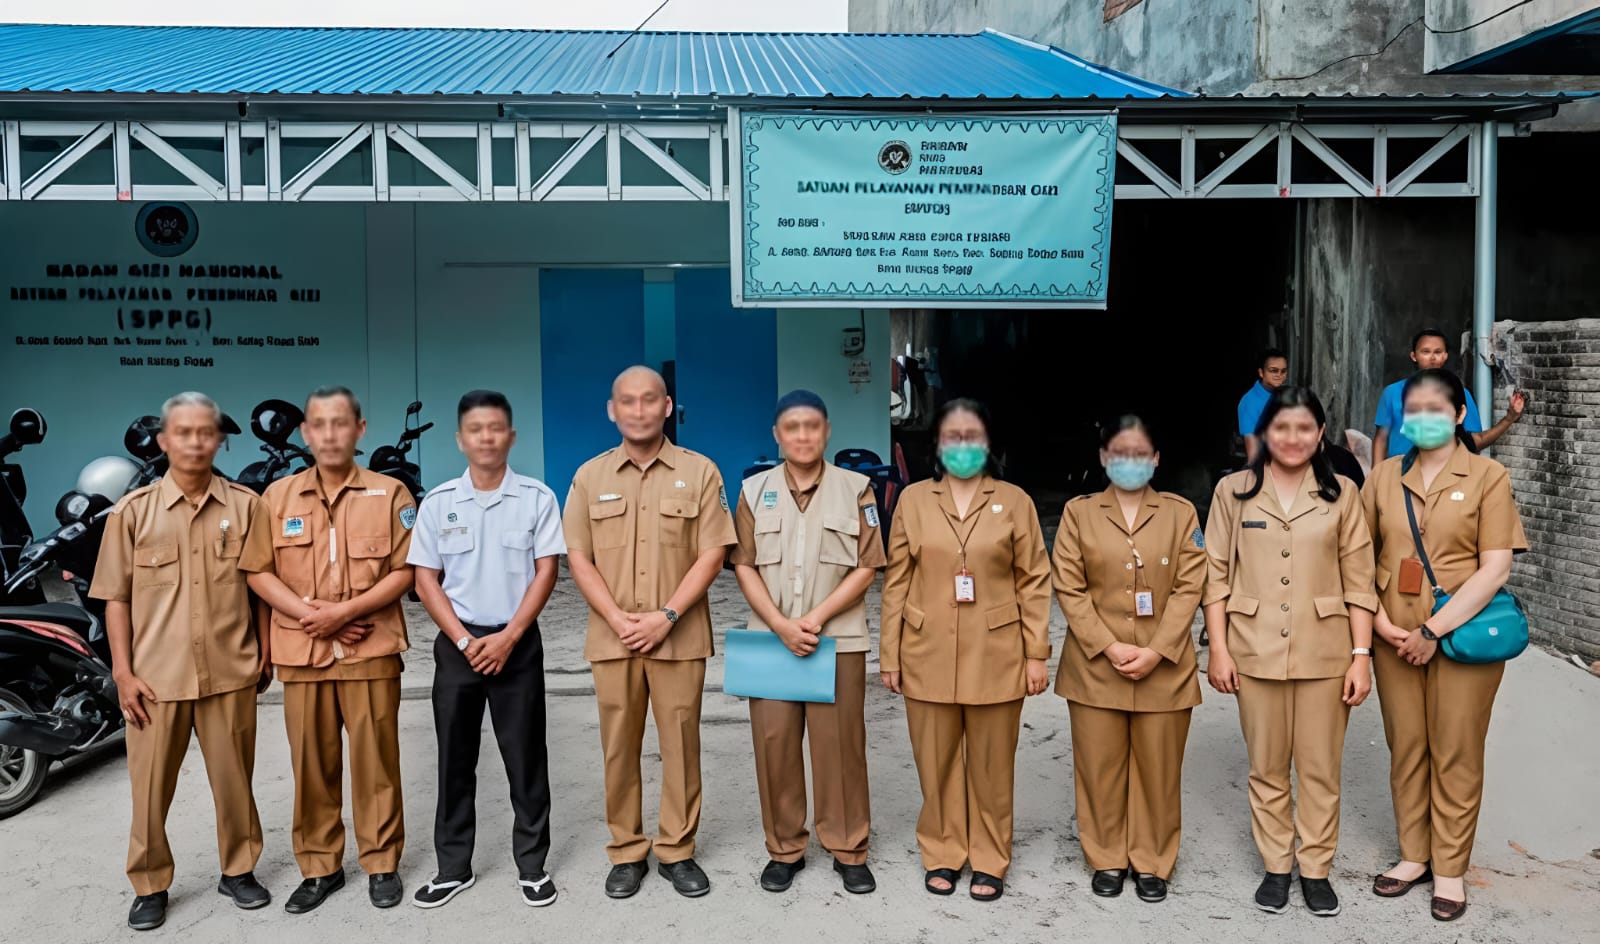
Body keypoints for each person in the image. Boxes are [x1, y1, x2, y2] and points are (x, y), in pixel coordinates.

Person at [89, 392, 270, 931]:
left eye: (206, 432)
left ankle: (238, 870)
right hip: (154, 679)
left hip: (229, 670)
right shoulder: (132, 513)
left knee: (236, 780)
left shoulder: (246, 506)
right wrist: (122, 672)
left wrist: (263, 653)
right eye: (183, 432)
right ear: (165, 441)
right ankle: (150, 883)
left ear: (219, 440)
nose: (195, 441)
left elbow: (260, 587)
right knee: (149, 790)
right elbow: (114, 598)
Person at [239, 386, 417, 914]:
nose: (330, 433)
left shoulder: (391, 494)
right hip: (304, 652)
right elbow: (258, 571)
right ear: (304, 433)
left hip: (372, 650)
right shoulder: (278, 498)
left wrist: (345, 612)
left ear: (360, 430)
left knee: (376, 762)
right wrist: (313, 616)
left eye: (342, 423)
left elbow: (406, 571)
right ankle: (320, 868)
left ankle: (381, 863)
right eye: (319, 424)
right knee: (312, 765)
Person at [562, 366, 736, 900]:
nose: (638, 409)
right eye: (627, 401)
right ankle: (626, 850)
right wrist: (618, 620)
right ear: (611, 410)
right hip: (613, 638)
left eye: (649, 400)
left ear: (667, 407)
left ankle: (677, 850)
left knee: (681, 743)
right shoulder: (589, 477)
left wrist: (666, 616)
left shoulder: (701, 471)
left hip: (678, 636)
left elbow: (714, 551)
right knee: (619, 745)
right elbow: (578, 556)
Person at [1202, 386, 1377, 918]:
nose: (1294, 438)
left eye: (1305, 428)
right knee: (1267, 766)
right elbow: (1214, 577)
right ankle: (1277, 865)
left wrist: (1361, 656)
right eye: (1282, 428)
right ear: (1262, 434)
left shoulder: (1343, 492)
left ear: (1320, 434)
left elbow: (1360, 580)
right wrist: (1219, 651)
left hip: (1325, 651)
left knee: (1321, 768)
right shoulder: (1233, 492)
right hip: (1253, 648)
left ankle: (1317, 868)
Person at [1362, 368, 1528, 922]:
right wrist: (1383, 625)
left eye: (1437, 409)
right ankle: (1414, 856)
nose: (1424, 419)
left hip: (1461, 637)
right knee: (1407, 745)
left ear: (1459, 415)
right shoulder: (1383, 476)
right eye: (1415, 410)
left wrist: (1433, 631)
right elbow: (1358, 556)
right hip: (1392, 635)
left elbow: (1495, 567)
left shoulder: (1487, 477)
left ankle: (1450, 868)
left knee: (1455, 749)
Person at [880, 398, 1051, 902]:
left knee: (993, 764)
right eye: (952, 437)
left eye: (972, 436)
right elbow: (896, 581)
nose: (962, 446)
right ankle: (942, 852)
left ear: (988, 443)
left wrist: (1036, 653)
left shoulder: (1013, 500)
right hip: (925, 646)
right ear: (937, 444)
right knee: (935, 761)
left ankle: (991, 857)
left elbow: (1035, 581)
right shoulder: (913, 500)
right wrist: (889, 653)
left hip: (997, 649)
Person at [407, 391, 566, 909]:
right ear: (460, 439)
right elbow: (425, 580)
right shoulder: (438, 503)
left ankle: (532, 865)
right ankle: (453, 866)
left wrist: (510, 636)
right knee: (455, 757)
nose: (487, 438)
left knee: (525, 756)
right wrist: (463, 639)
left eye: (496, 428)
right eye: (476, 429)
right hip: (459, 645)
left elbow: (547, 571)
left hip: (516, 643)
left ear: (511, 436)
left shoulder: (538, 498)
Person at [730, 390, 885, 896]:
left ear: (827, 431)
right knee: (774, 746)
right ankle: (785, 849)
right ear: (777, 434)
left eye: (812, 426)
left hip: (836, 640)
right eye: (792, 427)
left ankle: (848, 848)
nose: (802, 435)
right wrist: (779, 624)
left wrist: (813, 619)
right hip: (770, 642)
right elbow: (744, 564)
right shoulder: (754, 491)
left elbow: (867, 566)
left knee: (840, 747)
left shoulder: (857, 488)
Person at [1051, 415, 1206, 904]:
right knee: (1100, 766)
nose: (1130, 462)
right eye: (1119, 452)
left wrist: (1159, 648)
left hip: (1166, 664)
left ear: (1157, 459)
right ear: (1102, 457)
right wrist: (1110, 645)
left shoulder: (1181, 513)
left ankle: (1153, 860)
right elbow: (1069, 585)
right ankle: (1107, 857)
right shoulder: (1079, 513)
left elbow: (1190, 584)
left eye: (1141, 453)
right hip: (1096, 664)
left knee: (1159, 769)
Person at [1372, 329, 1525, 459]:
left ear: (1445, 356)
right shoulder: (1392, 393)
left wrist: (1509, 418)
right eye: (1425, 352)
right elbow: (1381, 440)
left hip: (1442, 480)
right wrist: (1375, 482)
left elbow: (1474, 441)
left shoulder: (1460, 394)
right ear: (1414, 356)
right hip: (1400, 478)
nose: (1432, 358)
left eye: (1438, 352)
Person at [1238, 348, 1289, 464]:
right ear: (1261, 373)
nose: (1279, 375)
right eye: (1273, 371)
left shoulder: (1287, 395)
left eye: (1283, 371)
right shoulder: (1249, 402)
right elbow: (1253, 454)